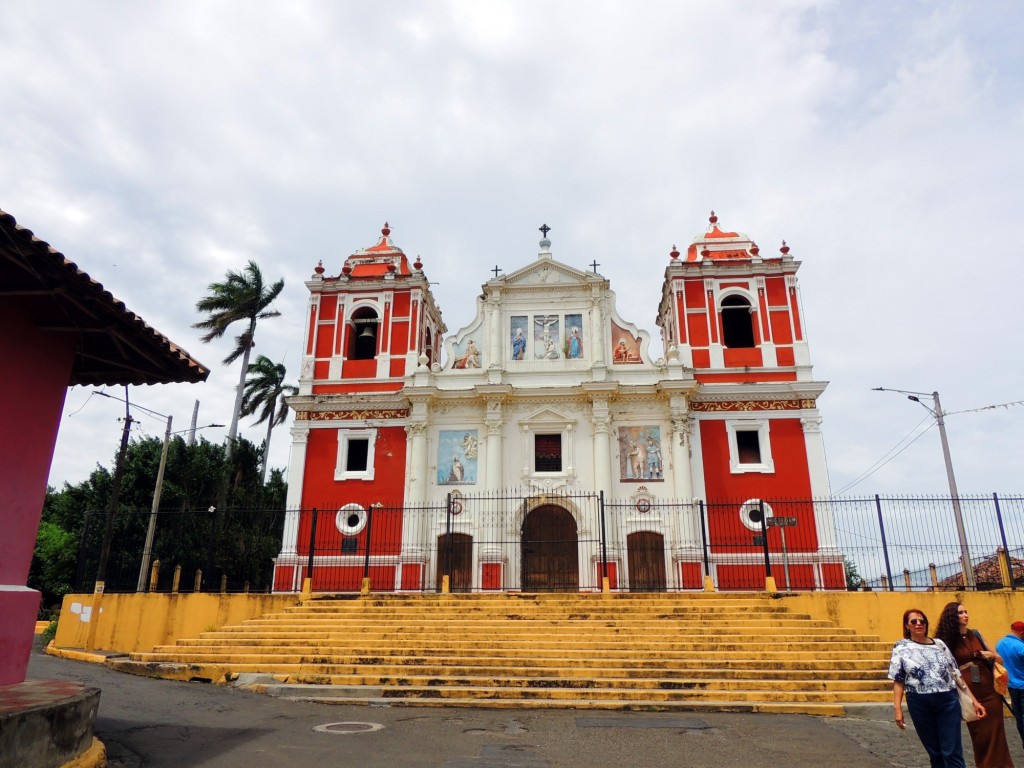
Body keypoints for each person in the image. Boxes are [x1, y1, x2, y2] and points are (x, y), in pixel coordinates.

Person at [890, 608, 983, 768]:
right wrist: (897, 708)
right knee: (935, 752)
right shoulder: (901, 647)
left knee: (952, 751)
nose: (918, 624)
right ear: (907, 626)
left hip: (947, 700)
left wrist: (973, 701)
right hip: (919, 702)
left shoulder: (939, 644)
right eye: (914, 621)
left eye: (922, 621)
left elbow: (955, 674)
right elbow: (898, 680)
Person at [936, 602, 1014, 767]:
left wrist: (990, 656)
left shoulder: (976, 634)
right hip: (969, 692)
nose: (965, 615)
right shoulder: (946, 641)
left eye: (966, 611)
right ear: (952, 617)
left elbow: (1000, 659)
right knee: (980, 735)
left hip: (989, 689)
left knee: (997, 732)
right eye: (960, 613)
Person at [996, 620, 1024, 749]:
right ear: (1022, 633)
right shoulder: (1021, 647)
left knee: (1019, 717)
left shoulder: (1000, 644)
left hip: (1011, 686)